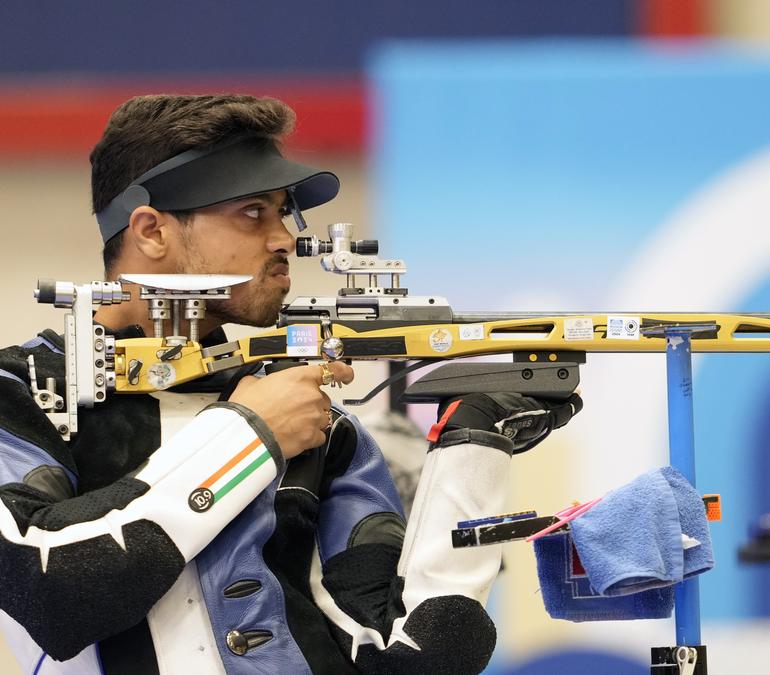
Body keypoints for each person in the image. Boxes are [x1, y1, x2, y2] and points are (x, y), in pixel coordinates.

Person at [0, 94, 581, 675]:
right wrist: (250, 437)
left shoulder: (316, 421)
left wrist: (472, 449)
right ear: (152, 232)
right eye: (253, 211)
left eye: (284, 213)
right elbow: (50, 596)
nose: (284, 239)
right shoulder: (21, 392)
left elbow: (418, 658)